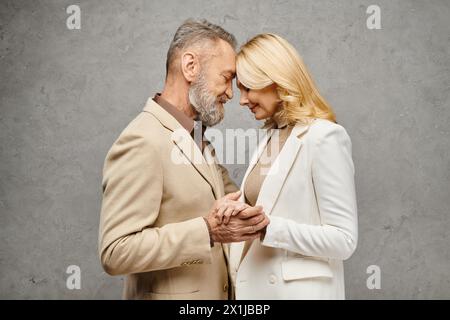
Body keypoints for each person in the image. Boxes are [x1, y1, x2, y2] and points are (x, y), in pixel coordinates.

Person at [98, 19, 269, 300]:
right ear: (190, 66)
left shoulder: (197, 136)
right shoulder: (142, 141)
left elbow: (237, 204)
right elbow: (116, 251)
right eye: (227, 77)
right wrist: (208, 231)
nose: (230, 93)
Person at [223, 33, 358, 299]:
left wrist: (268, 228)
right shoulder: (271, 137)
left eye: (248, 88)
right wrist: (236, 209)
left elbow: (344, 240)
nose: (242, 100)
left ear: (276, 82)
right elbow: (265, 206)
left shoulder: (325, 137)